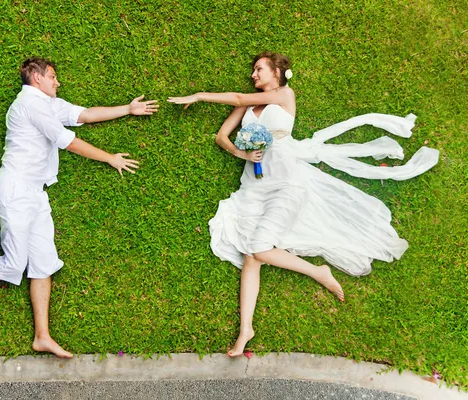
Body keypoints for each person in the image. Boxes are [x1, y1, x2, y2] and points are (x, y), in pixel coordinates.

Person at [168, 52, 438, 357]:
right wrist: (242, 154)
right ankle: (246, 330)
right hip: (254, 186)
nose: (253, 74)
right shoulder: (248, 104)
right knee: (251, 255)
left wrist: (199, 95)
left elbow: (236, 95)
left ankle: (318, 272)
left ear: (278, 71)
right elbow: (221, 137)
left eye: (258, 69)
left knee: (258, 248)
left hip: (286, 181)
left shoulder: (285, 94)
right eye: (253, 71)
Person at [0, 57, 158, 358]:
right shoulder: (30, 104)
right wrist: (110, 157)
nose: (58, 82)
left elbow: (84, 115)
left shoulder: (49, 104)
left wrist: (128, 109)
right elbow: (67, 141)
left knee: (43, 262)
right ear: (36, 78)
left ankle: (42, 336)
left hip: (35, 195)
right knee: (15, 263)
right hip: (14, 190)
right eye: (53, 77)